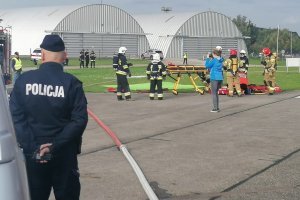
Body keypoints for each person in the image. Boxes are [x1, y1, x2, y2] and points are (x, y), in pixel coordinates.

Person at [9, 34, 88, 200]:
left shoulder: (23, 81)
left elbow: (16, 118)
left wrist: (33, 148)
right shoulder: (72, 83)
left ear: (43, 55)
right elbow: (79, 120)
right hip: (64, 155)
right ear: (64, 57)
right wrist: (55, 145)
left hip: (33, 156)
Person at [205, 46, 224, 112]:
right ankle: (217, 107)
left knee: (213, 93)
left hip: (214, 77)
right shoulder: (221, 59)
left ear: (215, 54)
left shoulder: (214, 60)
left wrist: (207, 58)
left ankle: (215, 108)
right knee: (216, 93)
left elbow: (207, 66)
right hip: (220, 78)